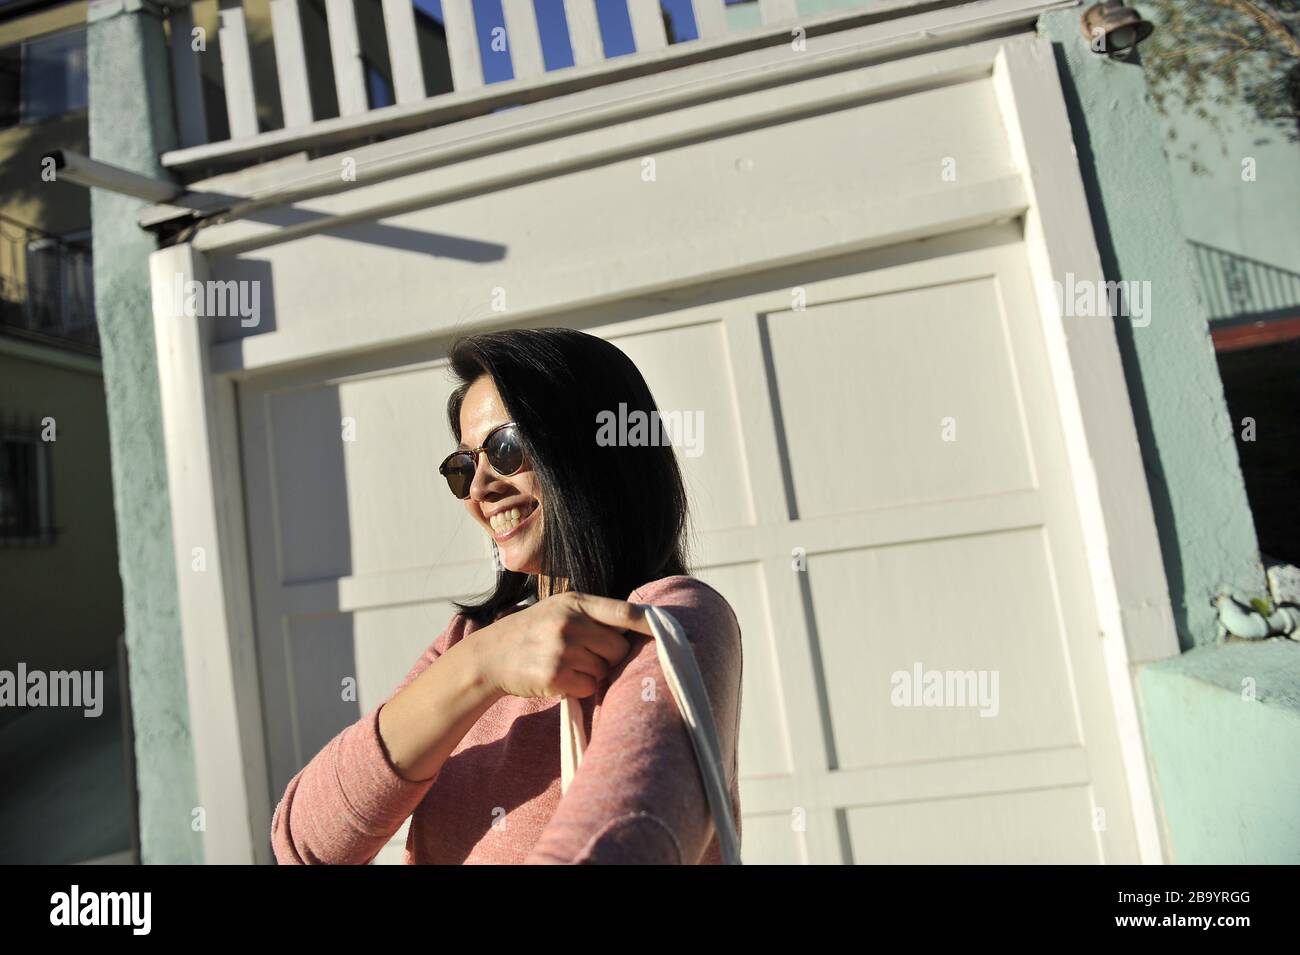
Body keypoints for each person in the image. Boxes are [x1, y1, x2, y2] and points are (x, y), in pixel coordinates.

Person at [270, 327, 743, 864]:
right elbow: (304, 843)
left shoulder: (670, 621)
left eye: (506, 448)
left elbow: (626, 837)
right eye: (463, 467)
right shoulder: (468, 643)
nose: (478, 488)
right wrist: (481, 665)